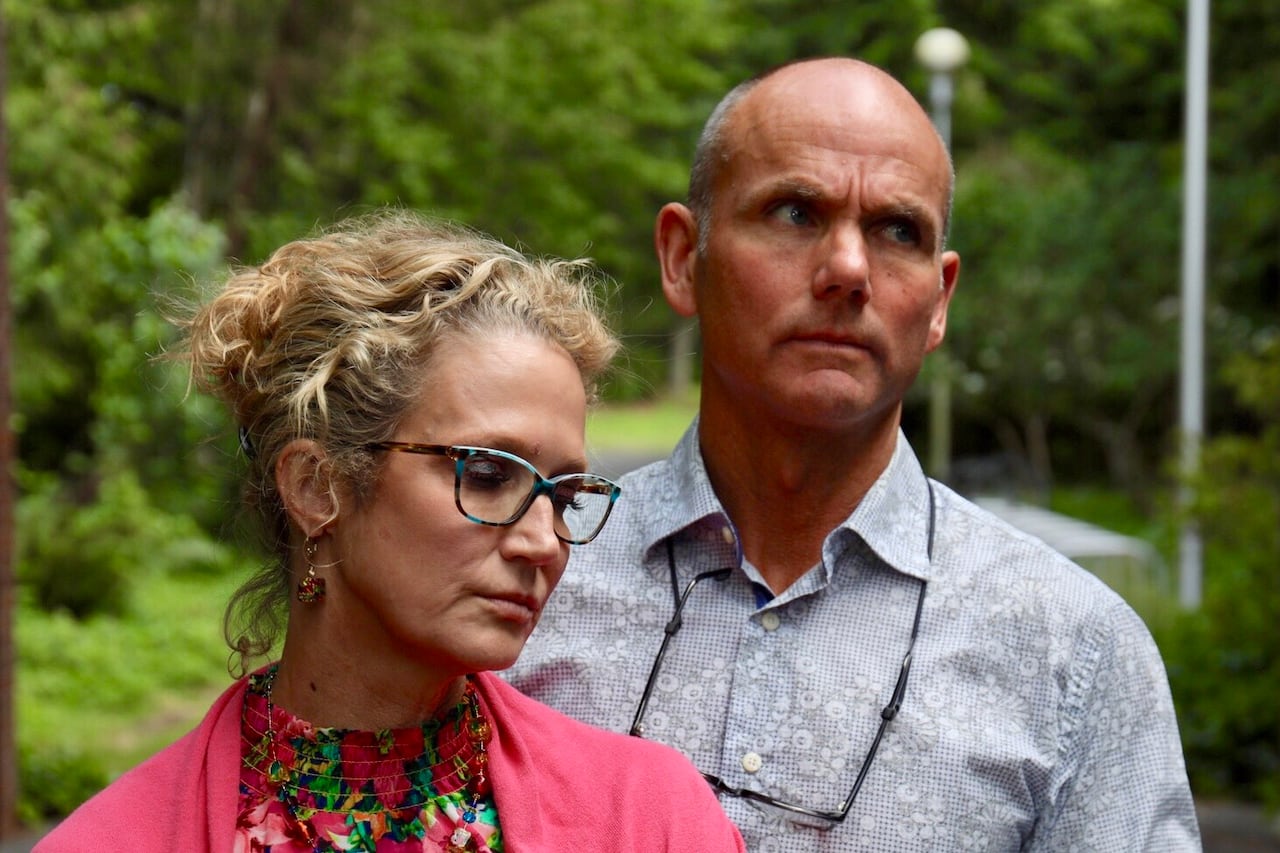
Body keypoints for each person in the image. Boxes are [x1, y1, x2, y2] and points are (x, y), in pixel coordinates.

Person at [505, 57, 1202, 850]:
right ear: (681, 256)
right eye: (795, 213)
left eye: (896, 231)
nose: (846, 269)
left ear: (940, 301)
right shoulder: (529, 576)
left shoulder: (1071, 649)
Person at [35, 211, 746, 853]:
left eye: (562, 495)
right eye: (490, 474)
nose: (543, 542)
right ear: (317, 486)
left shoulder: (649, 820)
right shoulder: (111, 838)